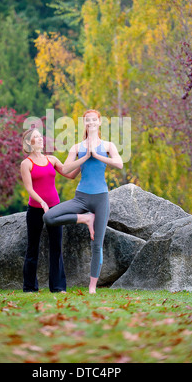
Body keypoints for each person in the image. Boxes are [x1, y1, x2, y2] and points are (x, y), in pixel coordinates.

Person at [43, 110, 123, 294]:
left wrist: (96, 154)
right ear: (85, 123)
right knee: (49, 217)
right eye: (88, 120)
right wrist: (86, 156)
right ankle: (85, 219)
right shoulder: (77, 147)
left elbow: (119, 164)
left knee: (97, 245)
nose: (91, 122)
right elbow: (66, 168)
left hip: (101, 198)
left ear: (99, 122)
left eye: (94, 120)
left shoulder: (108, 145)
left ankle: (92, 287)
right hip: (81, 198)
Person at [20, 127, 95, 293]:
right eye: (36, 137)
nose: (41, 139)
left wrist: (84, 161)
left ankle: (58, 287)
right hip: (35, 210)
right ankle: (30, 287)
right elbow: (29, 188)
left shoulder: (51, 160)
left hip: (55, 208)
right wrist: (41, 202)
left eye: (41, 136)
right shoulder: (26, 164)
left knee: (56, 247)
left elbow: (69, 174)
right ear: (29, 142)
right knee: (32, 248)